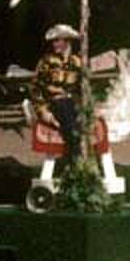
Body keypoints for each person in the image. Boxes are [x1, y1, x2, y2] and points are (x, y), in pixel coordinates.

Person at [30, 24, 83, 161]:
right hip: (55, 103)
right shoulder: (47, 62)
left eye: (57, 40)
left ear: (67, 41)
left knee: (79, 121)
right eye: (53, 41)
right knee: (70, 123)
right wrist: (43, 112)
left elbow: (82, 89)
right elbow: (35, 89)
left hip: (72, 103)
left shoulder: (77, 62)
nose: (54, 44)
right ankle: (74, 160)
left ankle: (72, 158)